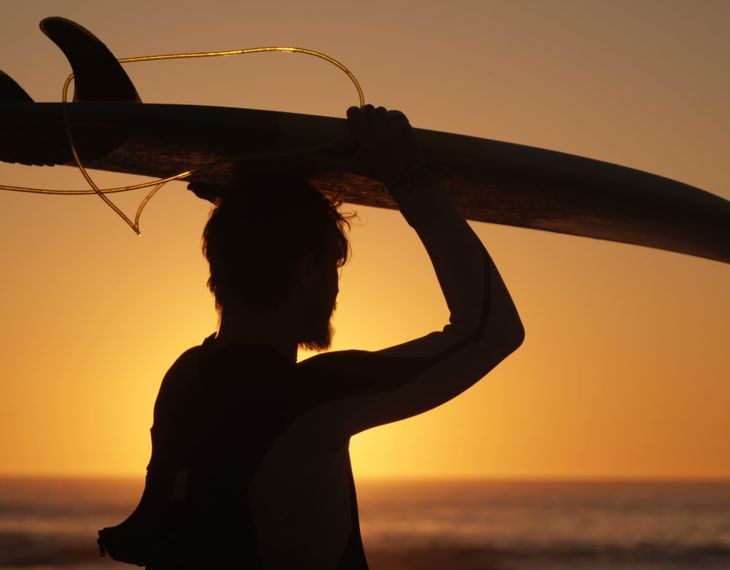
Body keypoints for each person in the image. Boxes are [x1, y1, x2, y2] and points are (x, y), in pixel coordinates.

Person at [96, 105, 525, 569]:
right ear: (306, 270)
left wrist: (244, 201)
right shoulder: (310, 398)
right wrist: (411, 179)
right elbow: (491, 330)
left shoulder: (183, 383)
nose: (337, 289)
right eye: (333, 269)